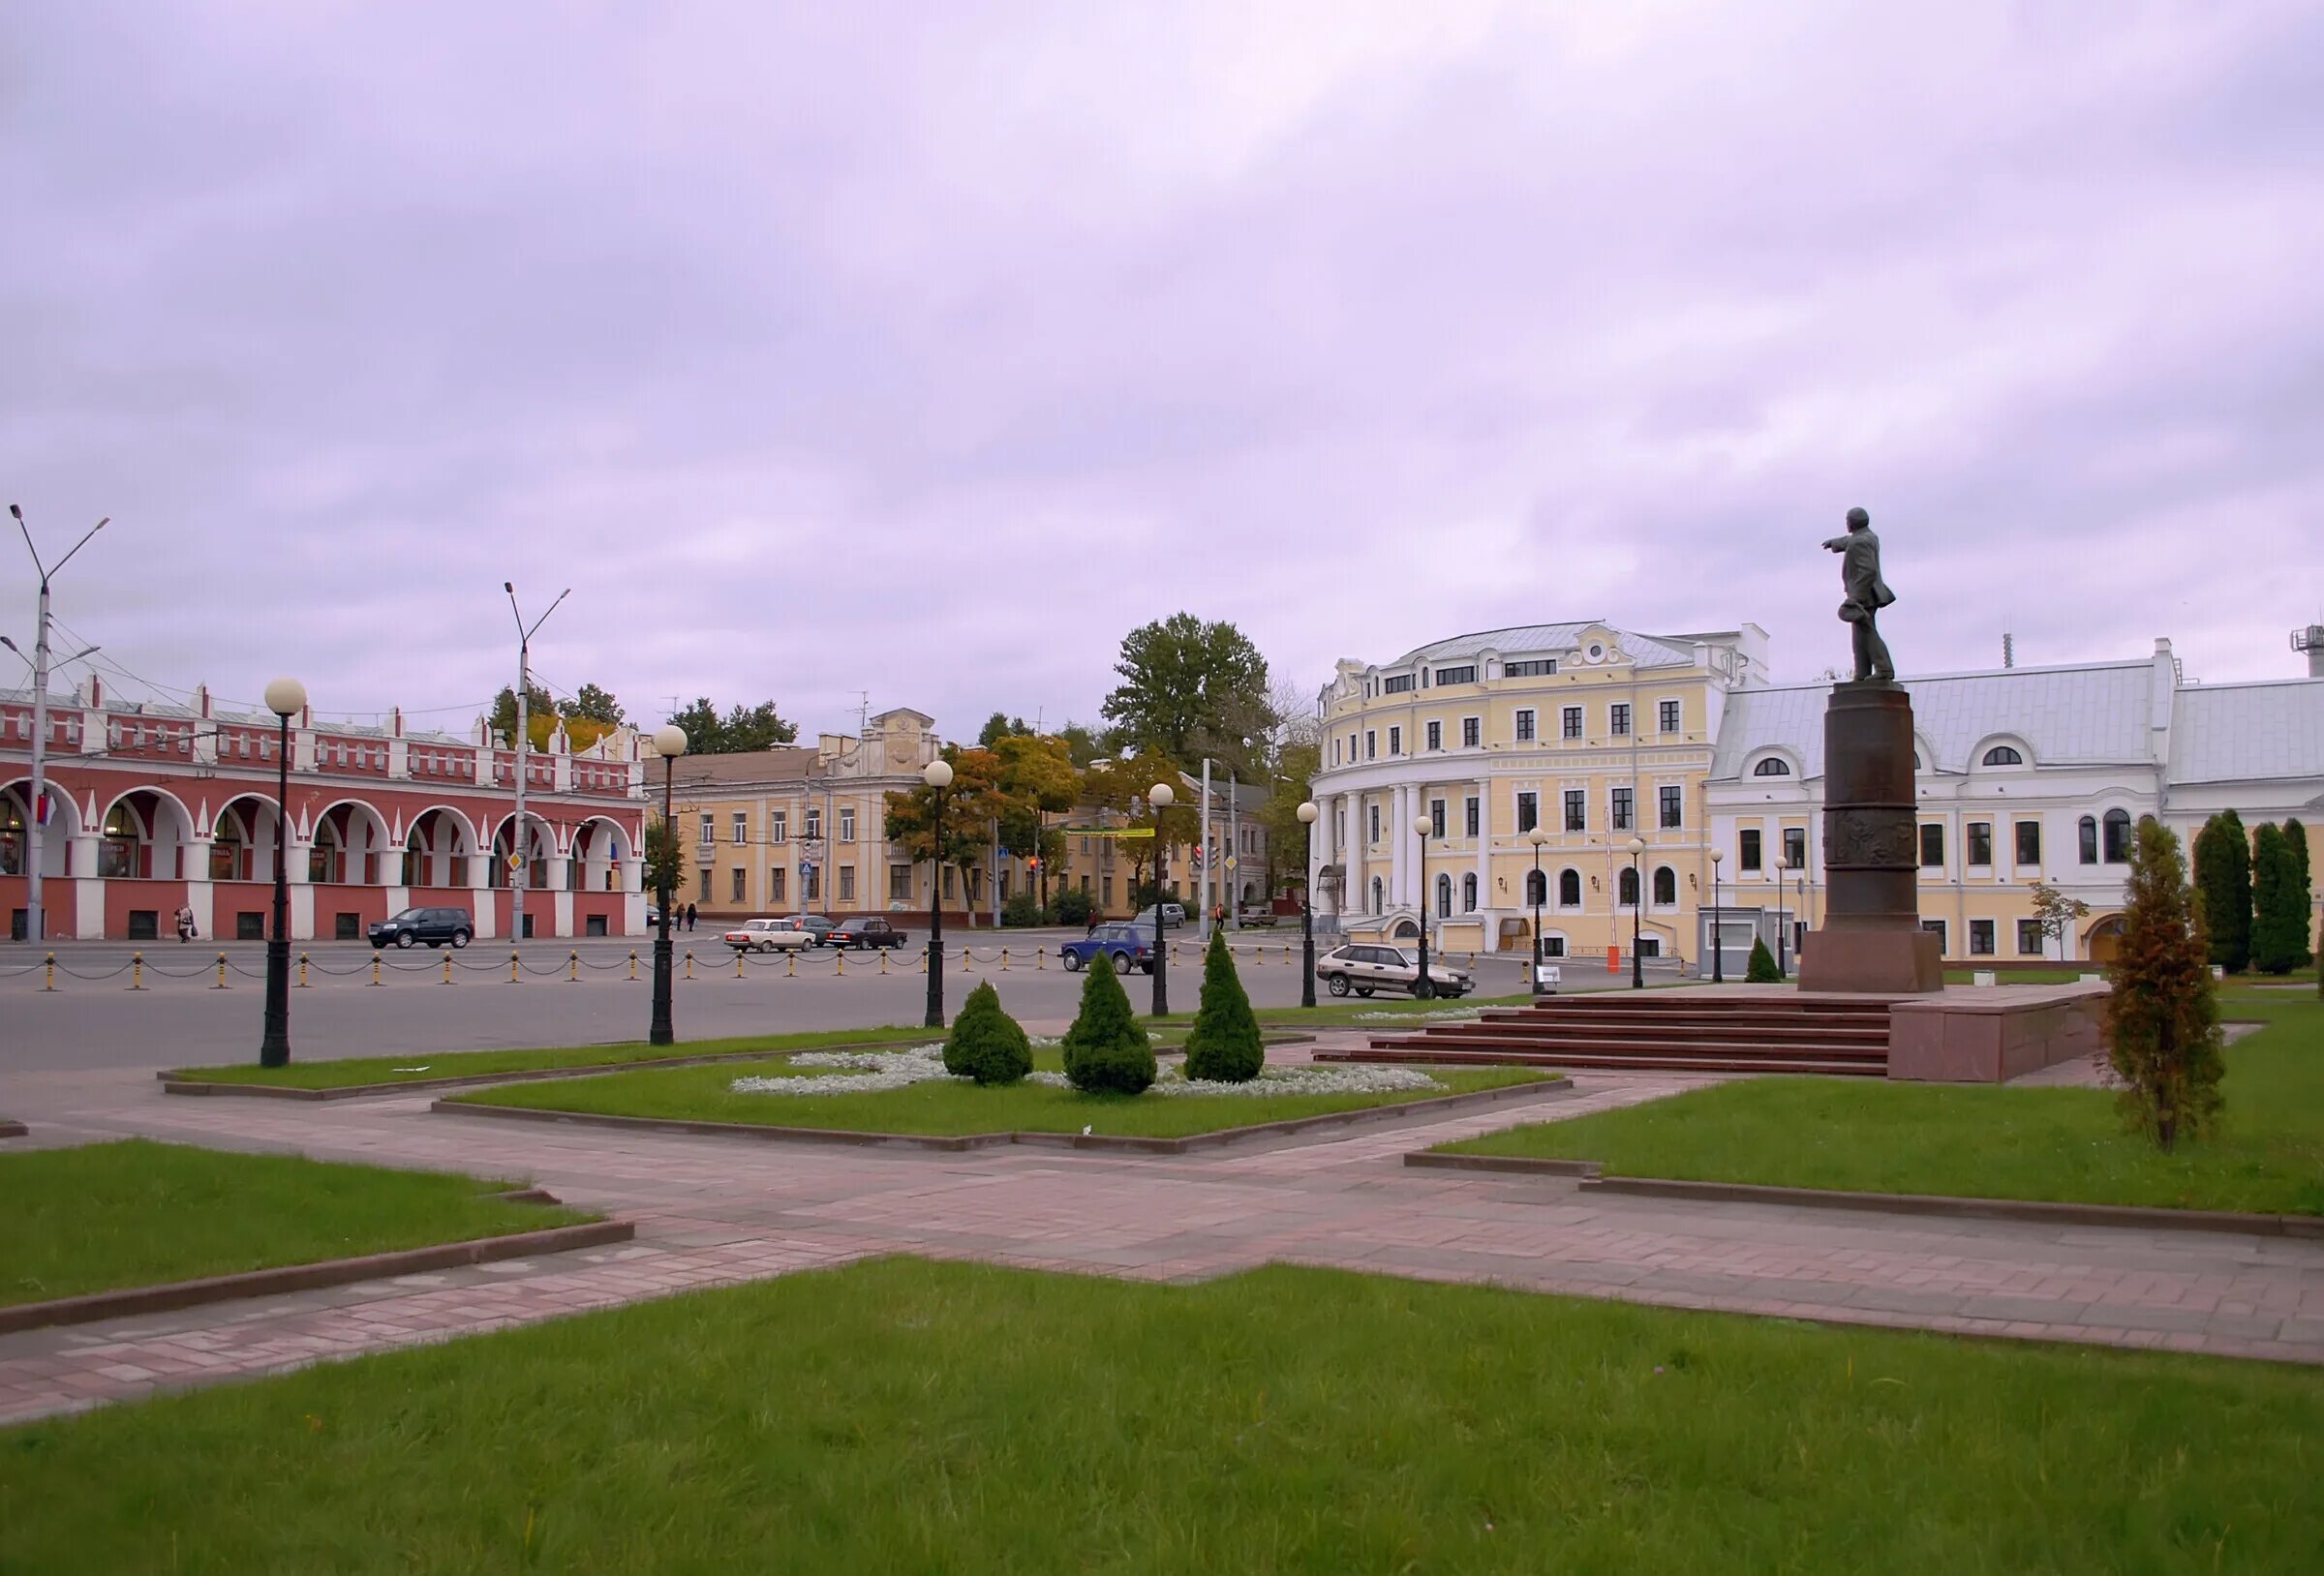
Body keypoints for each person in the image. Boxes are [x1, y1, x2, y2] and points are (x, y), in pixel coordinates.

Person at [1821, 505, 1896, 682]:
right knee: (1859, 636)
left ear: (1851, 523)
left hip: (1864, 596)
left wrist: (1856, 598)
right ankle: (1862, 672)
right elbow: (1851, 541)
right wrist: (1835, 542)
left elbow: (1868, 571)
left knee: (1867, 633)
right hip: (1869, 594)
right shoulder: (1869, 537)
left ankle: (1884, 669)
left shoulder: (1860, 542)